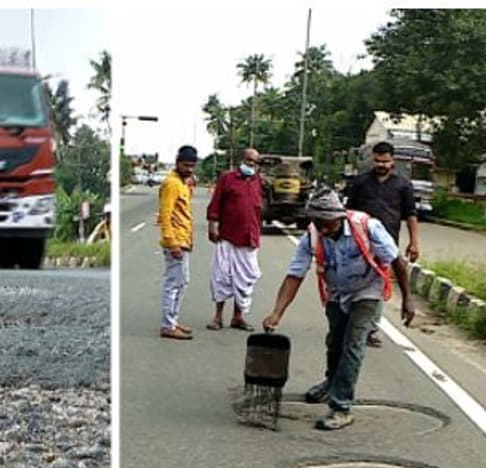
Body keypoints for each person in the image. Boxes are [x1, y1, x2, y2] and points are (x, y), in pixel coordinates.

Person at [262, 187, 415, 431]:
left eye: (328, 223)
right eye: (318, 222)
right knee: (334, 343)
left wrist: (407, 299)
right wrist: (277, 313)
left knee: (353, 345)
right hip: (337, 292)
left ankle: (341, 407)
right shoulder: (312, 234)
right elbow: (295, 274)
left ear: (340, 216)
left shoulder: (366, 226)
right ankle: (330, 384)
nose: (323, 229)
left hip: (368, 290)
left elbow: (396, 260)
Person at [345, 141, 422, 347]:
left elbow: (411, 215)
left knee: (378, 283)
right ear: (373, 160)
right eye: (378, 161)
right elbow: (348, 213)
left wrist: (414, 242)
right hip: (359, 243)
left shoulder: (403, 185)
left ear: (393, 161)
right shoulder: (360, 183)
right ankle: (351, 320)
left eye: (385, 161)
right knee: (355, 280)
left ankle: (370, 328)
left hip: (387, 244)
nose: (381, 165)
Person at [206, 148, 264, 331]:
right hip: (228, 236)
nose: (251, 164)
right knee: (222, 276)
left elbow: (258, 209)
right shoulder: (227, 178)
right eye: (248, 160)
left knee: (246, 279)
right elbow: (216, 203)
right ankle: (218, 317)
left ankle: (238, 317)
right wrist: (212, 225)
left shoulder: (258, 182)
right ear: (241, 160)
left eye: (254, 162)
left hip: (249, 238)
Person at [159, 145, 198, 340]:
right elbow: (165, 216)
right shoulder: (172, 184)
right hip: (175, 242)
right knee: (173, 283)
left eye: (192, 166)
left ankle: (172, 320)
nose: (189, 169)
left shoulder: (183, 183)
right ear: (177, 163)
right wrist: (172, 243)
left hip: (183, 240)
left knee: (182, 282)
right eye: (186, 165)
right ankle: (168, 325)